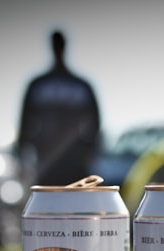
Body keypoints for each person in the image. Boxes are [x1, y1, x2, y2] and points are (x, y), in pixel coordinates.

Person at [16, 30, 101, 187]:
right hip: (46, 161)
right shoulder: (41, 85)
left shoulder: (78, 85)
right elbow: (25, 123)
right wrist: (24, 154)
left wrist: (88, 150)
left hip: (73, 161)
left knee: (72, 206)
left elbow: (95, 123)